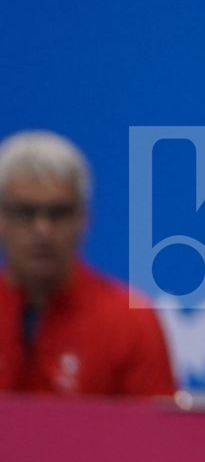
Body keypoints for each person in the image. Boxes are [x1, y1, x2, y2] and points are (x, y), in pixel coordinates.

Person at [0, 131, 177, 396]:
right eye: (25, 213)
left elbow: (155, 422)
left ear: (84, 218)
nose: (42, 230)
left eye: (58, 213)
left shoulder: (130, 322)